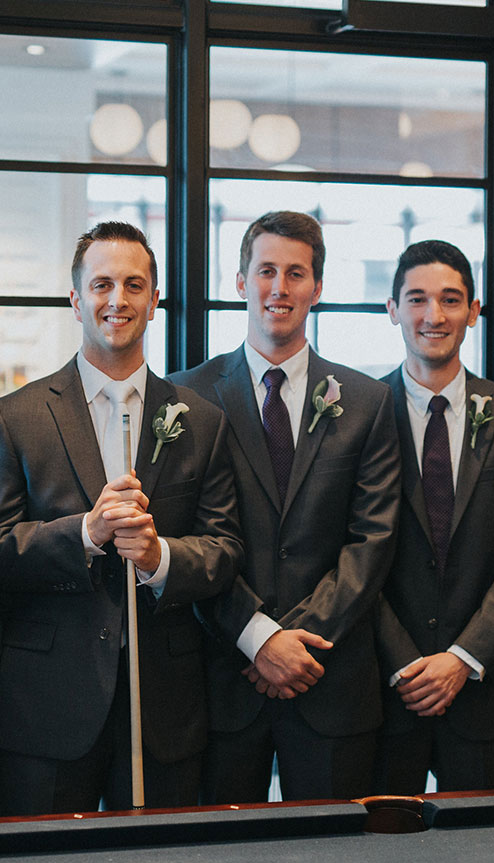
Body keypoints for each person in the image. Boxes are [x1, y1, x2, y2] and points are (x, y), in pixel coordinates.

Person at [0, 221, 241, 815]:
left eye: (133, 285)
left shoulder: (201, 419)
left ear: (154, 301)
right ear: (75, 298)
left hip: (165, 706)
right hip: (46, 708)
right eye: (101, 285)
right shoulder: (16, 416)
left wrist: (159, 557)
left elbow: (223, 547)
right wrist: (84, 535)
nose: (117, 300)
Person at [172, 210, 400, 803]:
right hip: (221, 675)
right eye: (266, 270)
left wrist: (293, 641)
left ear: (317, 289)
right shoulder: (186, 396)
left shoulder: (369, 402)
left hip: (330, 676)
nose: (280, 287)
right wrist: (256, 638)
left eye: (296, 274)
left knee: (337, 857)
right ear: (241, 282)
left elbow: (371, 540)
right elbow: (185, 538)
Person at [371, 240, 494, 793]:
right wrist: (405, 662)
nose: (435, 316)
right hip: (383, 693)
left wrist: (463, 657)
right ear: (393, 309)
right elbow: (345, 552)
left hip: (484, 691)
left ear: (474, 312)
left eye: (451, 300)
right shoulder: (360, 412)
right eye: (418, 299)